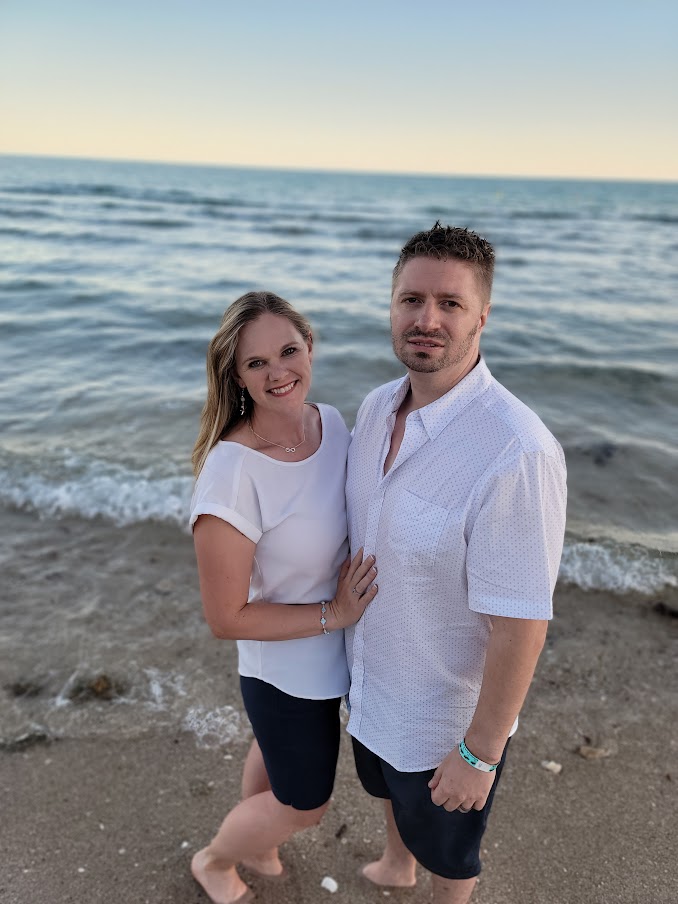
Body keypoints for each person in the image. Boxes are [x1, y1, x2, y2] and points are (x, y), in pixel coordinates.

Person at [345, 223, 567, 904]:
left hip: (447, 721)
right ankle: (394, 864)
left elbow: (522, 624)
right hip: (374, 683)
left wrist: (479, 754)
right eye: (411, 299)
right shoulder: (377, 406)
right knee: (385, 791)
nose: (426, 319)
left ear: (483, 316)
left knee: (453, 853)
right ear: (391, 305)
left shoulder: (515, 451)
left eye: (450, 303)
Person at [189, 291, 377, 904]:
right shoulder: (233, 472)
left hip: (335, 654)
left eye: (288, 351)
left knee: (270, 756)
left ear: (310, 348)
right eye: (256, 364)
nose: (278, 373)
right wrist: (335, 614)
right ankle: (215, 861)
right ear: (236, 376)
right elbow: (225, 617)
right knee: (306, 804)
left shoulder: (335, 423)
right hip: (284, 671)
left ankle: (257, 842)